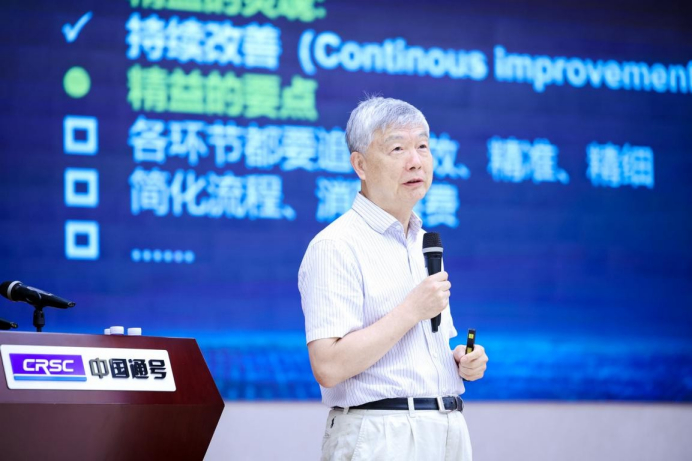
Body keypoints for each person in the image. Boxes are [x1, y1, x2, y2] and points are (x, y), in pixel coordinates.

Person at [298, 96, 488, 461]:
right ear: (360, 164)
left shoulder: (424, 243)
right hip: (380, 434)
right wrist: (411, 310)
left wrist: (460, 361)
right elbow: (329, 366)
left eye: (423, 146)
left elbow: (414, 349)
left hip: (447, 427)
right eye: (397, 148)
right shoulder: (336, 245)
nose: (415, 161)